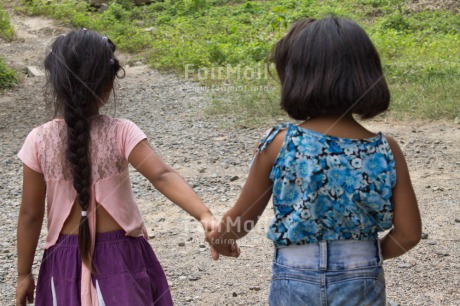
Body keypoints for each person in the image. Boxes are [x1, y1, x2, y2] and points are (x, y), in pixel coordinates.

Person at [208, 17, 422, 305]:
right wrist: (365, 258)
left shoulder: (279, 143)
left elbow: (242, 220)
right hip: (362, 274)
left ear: (295, 76)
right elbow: (408, 234)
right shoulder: (385, 149)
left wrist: (220, 238)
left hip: (294, 276)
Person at [15, 29, 220, 306]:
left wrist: (24, 273)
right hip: (121, 259)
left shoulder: (38, 140)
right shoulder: (121, 132)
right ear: (108, 84)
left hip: (63, 263)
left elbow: (30, 214)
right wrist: (205, 215)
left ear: (56, 83)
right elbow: (162, 175)